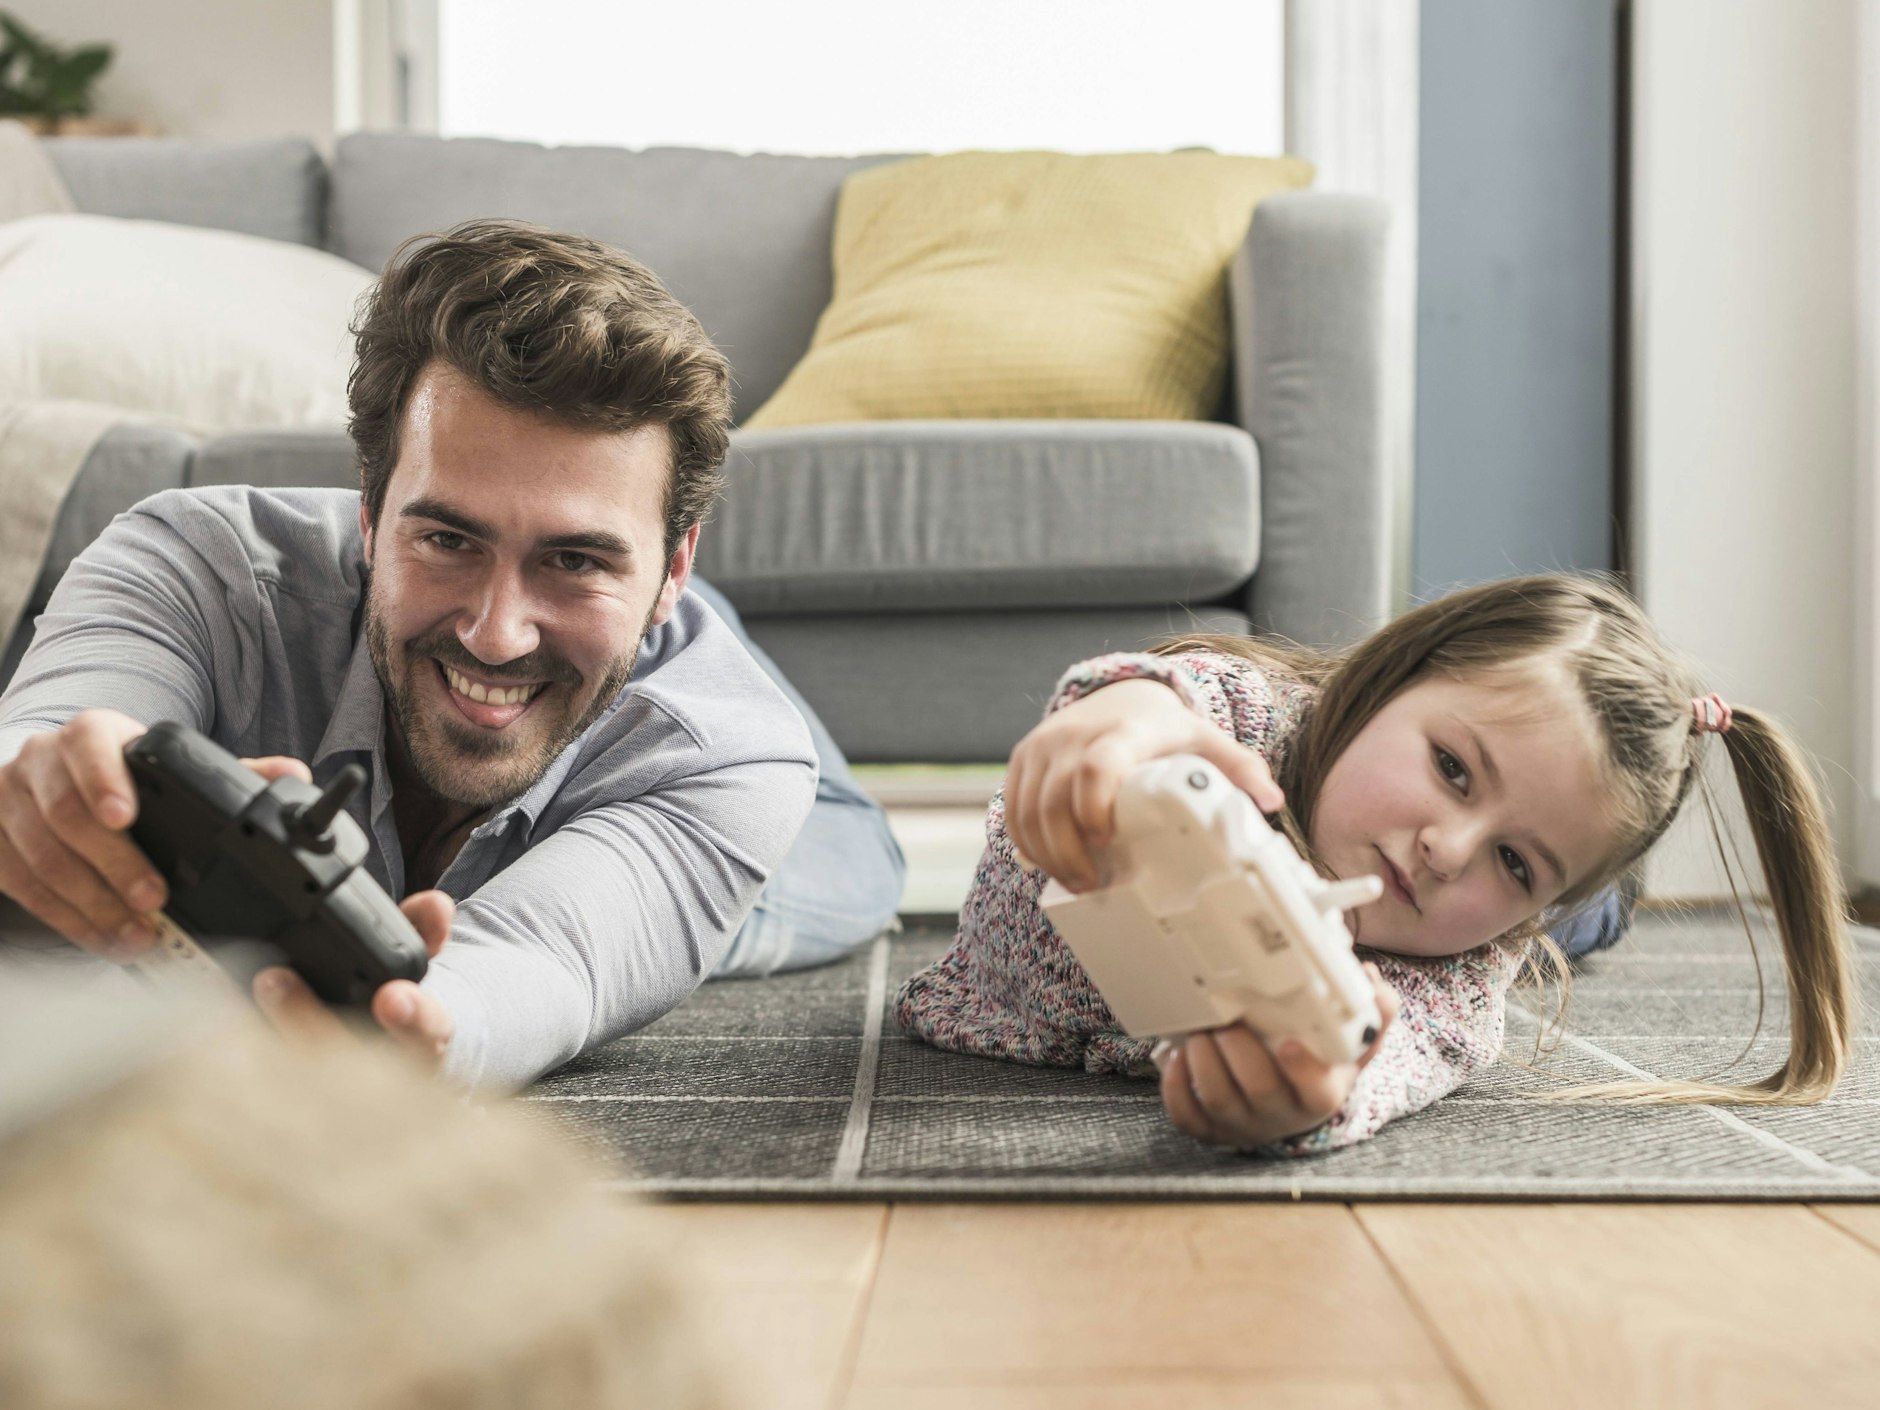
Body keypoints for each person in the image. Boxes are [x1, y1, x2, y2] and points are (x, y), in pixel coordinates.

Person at [0, 219, 903, 1090]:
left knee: (835, 864)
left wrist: (427, 1032)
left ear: (673, 566)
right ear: (367, 510)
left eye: (575, 557)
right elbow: (46, 730)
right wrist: (51, 784)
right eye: (447, 540)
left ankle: (661, 623)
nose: (495, 630)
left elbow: (540, 963)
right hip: (614, 641)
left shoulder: (731, 756)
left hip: (721, 766)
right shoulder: (190, 565)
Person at [893, 574, 1860, 1154]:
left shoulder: (1458, 987)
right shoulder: (1244, 726)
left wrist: (1310, 1096)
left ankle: (1586, 907)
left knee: (1574, 922)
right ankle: (1579, 899)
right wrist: (1117, 720)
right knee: (1561, 904)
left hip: (1517, 928)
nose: (1446, 849)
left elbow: (1379, 1073)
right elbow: (1159, 696)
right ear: (1388, 677)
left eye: (1515, 861)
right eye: (1451, 768)